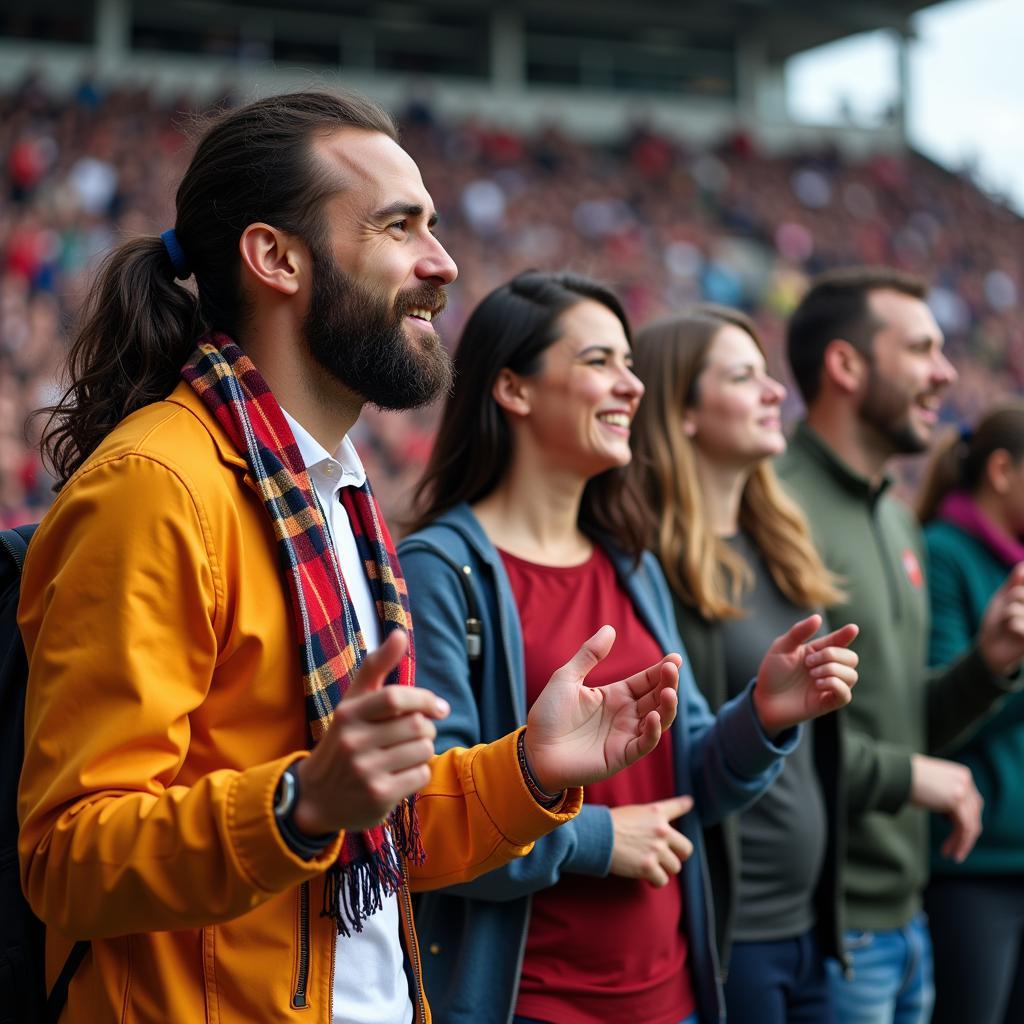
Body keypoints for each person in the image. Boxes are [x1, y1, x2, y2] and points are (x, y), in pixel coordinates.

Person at [16, 92, 685, 1024]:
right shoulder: (155, 488)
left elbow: (380, 835)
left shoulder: (336, 491)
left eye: (435, 226)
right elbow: (68, 860)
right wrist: (295, 805)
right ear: (277, 259)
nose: (442, 263)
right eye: (398, 226)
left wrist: (528, 771)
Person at [398, 270, 860, 1024]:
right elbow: (422, 822)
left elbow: (694, 786)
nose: (632, 387)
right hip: (535, 1005)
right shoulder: (440, 570)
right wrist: (595, 837)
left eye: (631, 365)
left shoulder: (631, 564)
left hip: (673, 998)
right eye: (599, 363)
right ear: (513, 390)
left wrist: (765, 717)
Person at [776, 266, 1024, 1024]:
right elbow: (771, 745)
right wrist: (914, 775)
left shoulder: (895, 521)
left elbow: (908, 728)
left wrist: (988, 665)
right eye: (921, 349)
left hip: (905, 921)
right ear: (846, 366)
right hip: (826, 935)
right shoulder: (777, 509)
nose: (946, 372)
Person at [628, 306, 849, 1024]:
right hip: (731, 934)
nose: (775, 391)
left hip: (817, 926)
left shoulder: (781, 544)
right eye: (743, 376)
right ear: (682, 411)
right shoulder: (649, 566)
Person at [915, 405, 1024, 1024]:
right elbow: (942, 717)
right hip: (972, 869)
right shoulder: (943, 554)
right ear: (1003, 470)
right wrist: (1001, 668)